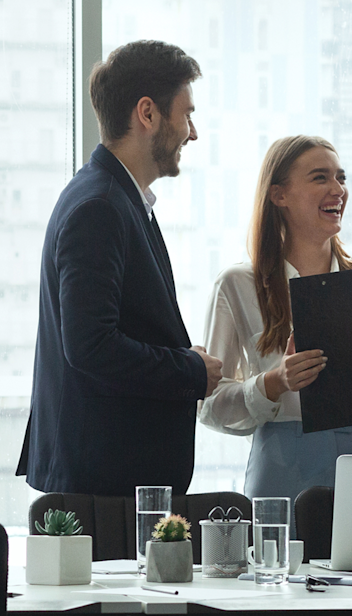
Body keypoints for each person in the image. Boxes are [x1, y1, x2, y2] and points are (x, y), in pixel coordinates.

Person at [16, 40, 223, 496]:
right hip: (103, 488)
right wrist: (191, 371)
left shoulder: (111, 198)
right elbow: (91, 346)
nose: (192, 133)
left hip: (106, 479)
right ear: (147, 113)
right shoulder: (101, 206)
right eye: (186, 114)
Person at [199, 135, 352, 514]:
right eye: (320, 177)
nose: (338, 189)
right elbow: (209, 406)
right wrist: (273, 382)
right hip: (283, 468)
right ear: (278, 195)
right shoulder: (237, 285)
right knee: (280, 572)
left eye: (341, 177)